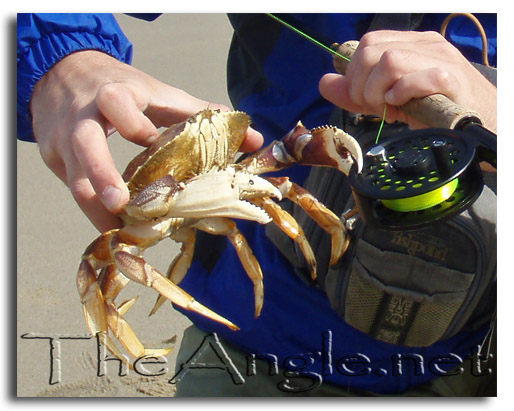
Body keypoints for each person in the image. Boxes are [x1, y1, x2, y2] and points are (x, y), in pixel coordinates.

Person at [17, 13, 497, 396]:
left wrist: (491, 113)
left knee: (274, 195)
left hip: (482, 355)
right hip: (259, 345)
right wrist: (64, 59)